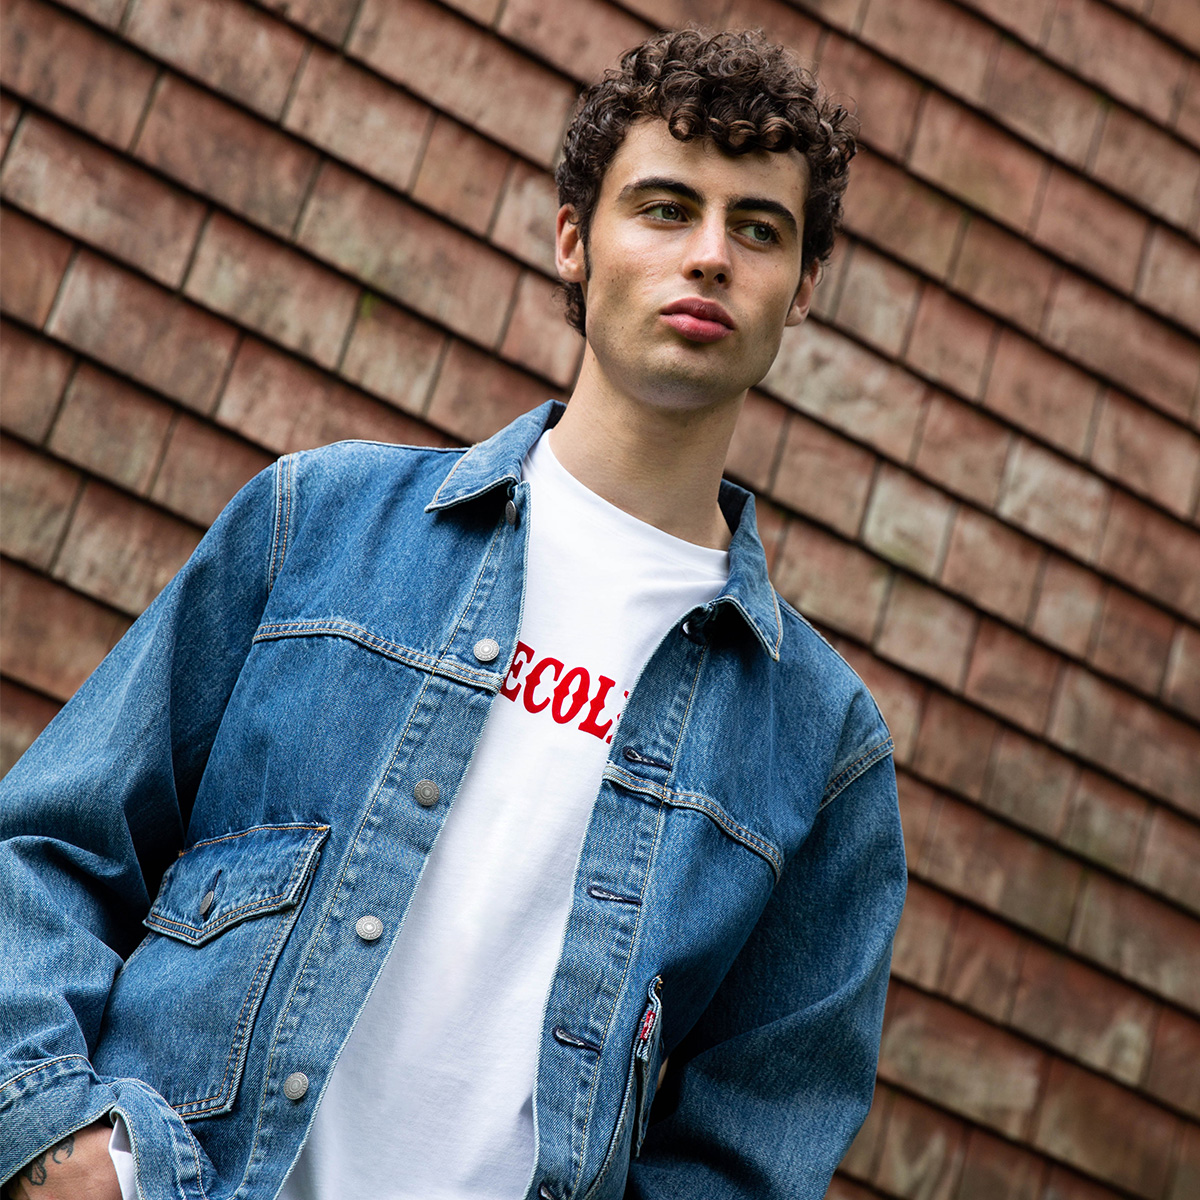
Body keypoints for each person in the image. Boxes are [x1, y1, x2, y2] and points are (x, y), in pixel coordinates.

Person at [0, 27, 906, 1200]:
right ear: (576, 243)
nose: (712, 257)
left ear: (801, 294)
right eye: (667, 208)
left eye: (760, 229)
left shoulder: (819, 744)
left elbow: (757, 1139)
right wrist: (53, 1143)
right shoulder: (316, 525)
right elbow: (49, 846)